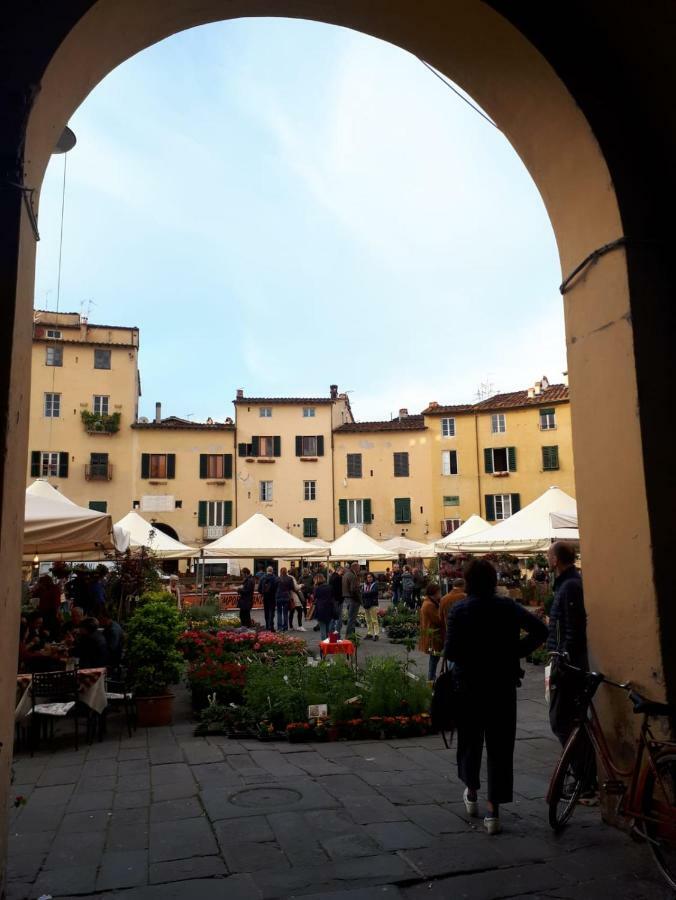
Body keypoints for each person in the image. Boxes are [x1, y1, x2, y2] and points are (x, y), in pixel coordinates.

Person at [444, 558, 547, 836]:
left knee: (470, 741)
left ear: (467, 582)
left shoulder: (459, 610)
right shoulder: (508, 607)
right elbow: (541, 630)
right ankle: (493, 811)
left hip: (468, 687)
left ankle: (472, 792)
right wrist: (515, 652)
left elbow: (451, 652)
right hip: (501, 686)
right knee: (501, 747)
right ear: (493, 581)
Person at [546, 541, 590, 749]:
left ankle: (582, 770)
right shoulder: (567, 583)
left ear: (555, 560)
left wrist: (564, 657)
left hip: (568, 664)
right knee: (566, 719)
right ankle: (582, 769)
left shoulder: (570, 585)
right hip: (567, 660)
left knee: (562, 720)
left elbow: (573, 626)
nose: (547, 559)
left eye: (548, 556)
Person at [419, 582, 443, 680]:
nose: (440, 593)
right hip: (432, 636)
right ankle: (431, 680)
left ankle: (431, 679)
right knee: (434, 660)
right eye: (439, 591)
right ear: (434, 592)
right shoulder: (429, 605)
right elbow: (438, 620)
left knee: (434, 659)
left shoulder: (430, 602)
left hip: (432, 635)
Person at [439, 578, 466, 644]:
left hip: (449, 631)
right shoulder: (465, 596)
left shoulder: (443, 599)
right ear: (463, 586)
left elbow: (440, 617)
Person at [342, 562, 362, 638]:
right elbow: (354, 590)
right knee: (352, 619)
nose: (359, 570)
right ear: (355, 567)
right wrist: (359, 600)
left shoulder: (346, 574)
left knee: (351, 618)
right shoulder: (352, 576)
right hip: (353, 599)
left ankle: (352, 635)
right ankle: (349, 636)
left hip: (347, 598)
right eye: (359, 568)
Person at [313, 575, 335, 640]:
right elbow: (333, 597)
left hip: (320, 609)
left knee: (322, 629)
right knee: (328, 629)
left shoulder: (317, 588)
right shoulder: (330, 587)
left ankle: (323, 646)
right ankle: (328, 644)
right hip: (329, 609)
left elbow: (315, 597)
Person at [275, 567, 294, 632]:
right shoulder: (290, 578)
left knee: (279, 613)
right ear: (286, 572)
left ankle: (279, 627)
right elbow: (292, 587)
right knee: (285, 613)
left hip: (278, 596)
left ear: (280, 571)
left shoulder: (277, 579)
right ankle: (285, 627)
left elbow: (274, 588)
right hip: (286, 596)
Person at [362, 572, 380, 640]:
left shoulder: (375, 584)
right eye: (368, 577)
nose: (369, 578)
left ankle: (376, 634)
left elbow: (373, 592)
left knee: (374, 619)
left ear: (373, 577)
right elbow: (362, 593)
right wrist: (364, 594)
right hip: (366, 604)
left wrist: (364, 593)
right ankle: (369, 633)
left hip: (373, 603)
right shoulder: (364, 585)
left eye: (370, 577)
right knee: (367, 619)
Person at [259, 566, 277, 631]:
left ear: (267, 571)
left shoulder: (262, 578)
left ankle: (267, 626)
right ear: (272, 571)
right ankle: (271, 626)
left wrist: (263, 593)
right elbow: (277, 588)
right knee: (272, 611)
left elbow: (259, 589)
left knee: (266, 611)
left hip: (265, 597)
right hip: (272, 597)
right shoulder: (275, 578)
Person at [329, 566, 343, 632]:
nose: (342, 573)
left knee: (333, 616)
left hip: (332, 599)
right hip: (338, 599)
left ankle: (331, 631)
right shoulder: (339, 578)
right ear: (339, 570)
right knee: (338, 616)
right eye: (342, 572)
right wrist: (341, 599)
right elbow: (340, 590)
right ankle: (337, 632)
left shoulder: (331, 577)